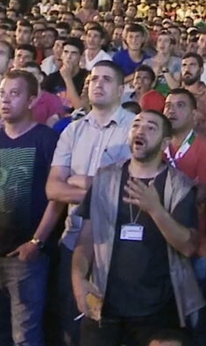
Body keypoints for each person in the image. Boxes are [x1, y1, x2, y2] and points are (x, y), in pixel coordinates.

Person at [71, 110, 203, 345]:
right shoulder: (105, 178)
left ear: (164, 143)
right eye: (136, 125)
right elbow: (87, 239)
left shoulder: (179, 185)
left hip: (157, 310)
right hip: (104, 304)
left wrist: (155, 209)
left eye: (151, 127)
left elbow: (188, 246)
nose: (141, 131)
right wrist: (78, 277)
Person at [47, 60, 135, 345]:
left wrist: (80, 181)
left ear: (121, 89)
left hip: (120, 246)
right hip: (74, 240)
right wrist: (100, 190)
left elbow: (132, 191)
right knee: (74, 329)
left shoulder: (135, 129)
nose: (97, 84)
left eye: (106, 79)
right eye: (94, 78)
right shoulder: (73, 131)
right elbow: (53, 189)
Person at [0, 69, 65, 346]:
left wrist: (36, 241)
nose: (5, 100)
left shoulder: (47, 140)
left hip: (28, 255)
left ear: (32, 100)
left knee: (26, 336)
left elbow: (57, 198)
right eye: (2, 94)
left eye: (14, 94)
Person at [162, 89, 206, 283]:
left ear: (194, 115)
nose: (172, 110)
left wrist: (156, 200)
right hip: (157, 238)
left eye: (180, 105)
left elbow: (199, 196)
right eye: (168, 105)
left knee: (192, 305)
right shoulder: (156, 146)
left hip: (193, 240)